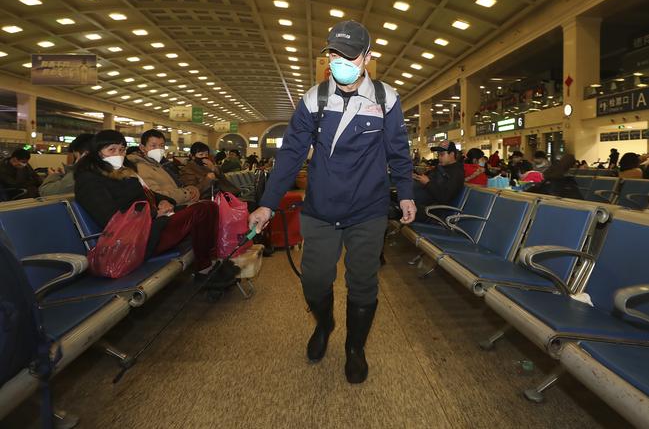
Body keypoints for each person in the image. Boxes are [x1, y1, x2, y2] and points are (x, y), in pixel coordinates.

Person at [248, 20, 416, 384]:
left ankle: (355, 348)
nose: (338, 61)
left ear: (367, 58)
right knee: (315, 280)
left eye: (348, 55)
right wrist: (267, 203)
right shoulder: (314, 98)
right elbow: (291, 154)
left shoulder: (386, 99)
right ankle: (324, 325)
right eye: (334, 54)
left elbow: (398, 152)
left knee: (363, 283)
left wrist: (405, 193)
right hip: (321, 210)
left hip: (367, 211)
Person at [74, 130, 238, 283]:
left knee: (208, 206)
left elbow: (148, 193)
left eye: (122, 150)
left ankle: (207, 265)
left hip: (151, 225)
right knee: (201, 210)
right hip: (134, 239)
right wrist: (154, 214)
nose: (118, 154)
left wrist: (165, 201)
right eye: (112, 150)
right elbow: (110, 218)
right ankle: (205, 269)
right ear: (97, 152)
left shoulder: (125, 172)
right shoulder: (89, 180)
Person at [127, 129, 200, 206]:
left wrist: (190, 189)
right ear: (142, 148)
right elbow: (156, 196)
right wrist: (186, 193)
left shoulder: (157, 164)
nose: (158, 149)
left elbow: (175, 185)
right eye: (153, 146)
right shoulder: (140, 167)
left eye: (161, 145)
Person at [412, 140, 465, 221]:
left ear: (452, 154)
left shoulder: (456, 173)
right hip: (423, 203)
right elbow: (428, 178)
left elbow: (444, 197)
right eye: (438, 155)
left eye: (442, 154)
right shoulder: (441, 167)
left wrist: (427, 183)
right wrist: (418, 177)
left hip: (432, 211)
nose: (439, 157)